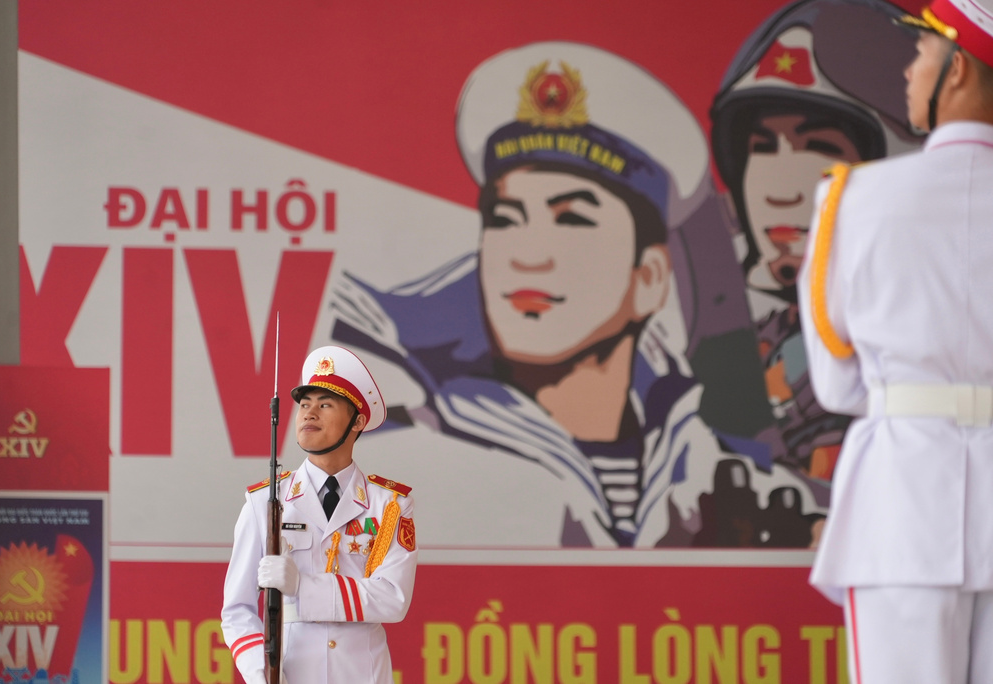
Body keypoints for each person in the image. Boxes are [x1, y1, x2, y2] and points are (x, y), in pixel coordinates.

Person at [329, 41, 822, 548]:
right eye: (506, 219)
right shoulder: (401, 459)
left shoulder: (712, 474)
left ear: (649, 278)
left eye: (571, 219)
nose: (527, 256)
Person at [798, 0, 993, 679]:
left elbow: (836, 382)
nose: (910, 68)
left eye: (923, 52)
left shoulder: (855, 199)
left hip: (903, 502)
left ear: (959, 68)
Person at [711, 0, 924, 481]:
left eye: (821, 146)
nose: (781, 190)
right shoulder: (707, 329)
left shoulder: (932, 322)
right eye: (762, 148)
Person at [221, 346, 417, 683]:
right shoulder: (264, 500)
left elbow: (393, 599)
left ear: (357, 421)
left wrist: (303, 586)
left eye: (325, 405)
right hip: (290, 674)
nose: (309, 414)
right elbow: (236, 611)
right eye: (304, 405)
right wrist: (262, 673)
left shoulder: (389, 504)